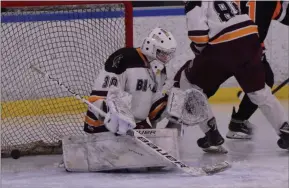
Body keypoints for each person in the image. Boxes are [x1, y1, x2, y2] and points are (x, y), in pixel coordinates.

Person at [171, 1, 288, 151]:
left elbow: (199, 36)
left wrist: (200, 52)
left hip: (225, 46)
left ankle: (211, 134)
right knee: (259, 91)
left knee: (187, 83)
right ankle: (285, 130)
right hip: (251, 40)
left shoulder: (194, 2)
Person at [83, 27, 176, 135]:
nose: (165, 58)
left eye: (168, 54)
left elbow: (151, 110)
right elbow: (96, 99)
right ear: (149, 46)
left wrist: (170, 107)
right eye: (162, 53)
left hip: (133, 127)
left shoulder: (160, 70)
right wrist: (115, 117)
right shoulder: (123, 59)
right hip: (103, 126)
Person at [226, 1, 289, 139]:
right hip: (250, 51)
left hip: (220, 47)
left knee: (200, 86)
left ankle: (235, 123)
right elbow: (285, 15)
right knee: (263, 83)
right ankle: (238, 123)